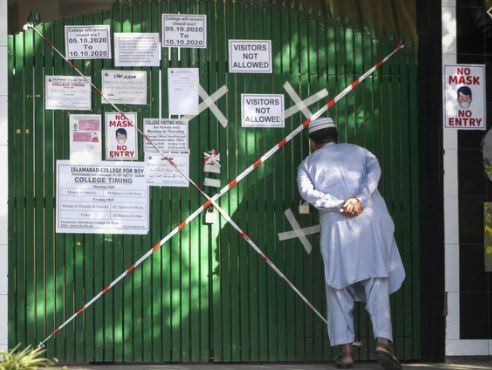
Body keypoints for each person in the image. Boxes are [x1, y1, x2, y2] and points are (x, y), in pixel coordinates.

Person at [297, 117, 405, 370]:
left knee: (338, 286)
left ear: (313, 143)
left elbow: (308, 193)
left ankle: (346, 353)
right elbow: (374, 174)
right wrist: (358, 198)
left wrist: (339, 204)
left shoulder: (308, 163)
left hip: (337, 227)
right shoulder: (362, 152)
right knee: (376, 280)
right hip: (370, 221)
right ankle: (383, 343)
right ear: (336, 135)